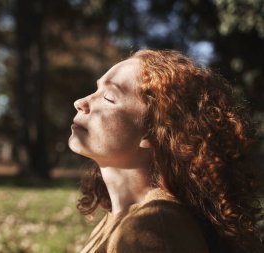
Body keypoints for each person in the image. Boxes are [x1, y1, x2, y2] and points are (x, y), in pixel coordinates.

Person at [68, 49, 263, 253]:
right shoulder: (122, 220)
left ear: (152, 133)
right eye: (96, 89)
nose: (80, 102)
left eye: (108, 98)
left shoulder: (153, 227)